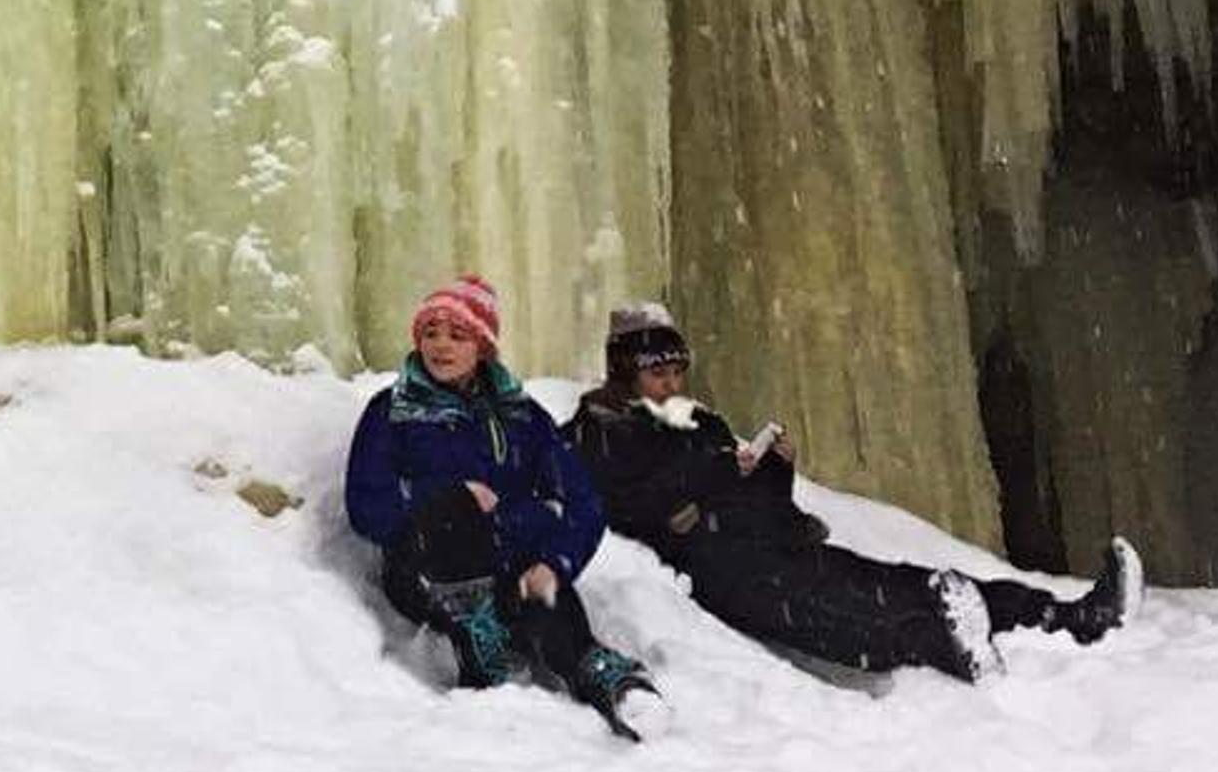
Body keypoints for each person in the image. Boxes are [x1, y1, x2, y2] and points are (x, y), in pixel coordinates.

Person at [567, 304, 1141, 681]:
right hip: (723, 572)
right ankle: (952, 650)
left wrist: (772, 471)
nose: (672, 384)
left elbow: (757, 501)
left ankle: (1068, 616)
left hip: (775, 547)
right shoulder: (598, 431)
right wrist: (711, 479)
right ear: (625, 372)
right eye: (657, 373)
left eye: (677, 371)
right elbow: (627, 505)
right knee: (849, 619)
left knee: (901, 583)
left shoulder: (702, 424)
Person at [344, 274, 655, 732]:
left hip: (509, 559)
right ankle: (477, 644)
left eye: (457, 334)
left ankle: (600, 676)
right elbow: (367, 505)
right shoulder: (391, 412)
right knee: (462, 519)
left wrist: (556, 563)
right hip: (426, 570)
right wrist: (451, 498)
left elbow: (583, 501)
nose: (440, 346)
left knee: (545, 595)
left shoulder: (521, 416)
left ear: (483, 345)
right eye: (430, 333)